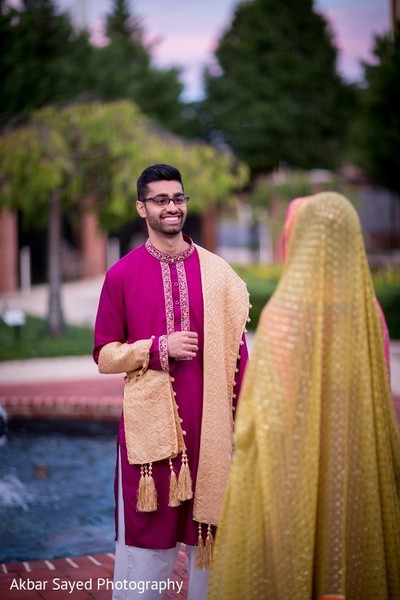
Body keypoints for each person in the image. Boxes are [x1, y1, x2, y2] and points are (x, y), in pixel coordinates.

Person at [207, 192, 400, 600]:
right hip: (356, 469)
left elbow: (262, 417)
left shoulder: (287, 314)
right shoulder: (370, 314)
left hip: (291, 474)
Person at [93, 163, 250, 600]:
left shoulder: (219, 275)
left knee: (213, 566)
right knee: (144, 563)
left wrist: (248, 430)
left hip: (213, 438)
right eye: (160, 200)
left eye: (178, 198)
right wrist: (155, 349)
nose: (172, 207)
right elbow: (104, 354)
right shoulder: (121, 275)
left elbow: (241, 358)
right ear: (141, 208)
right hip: (152, 445)